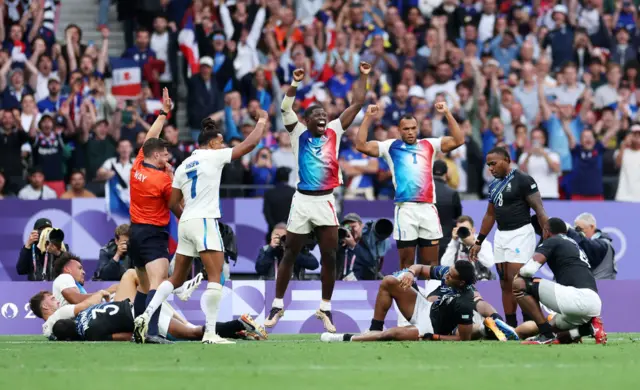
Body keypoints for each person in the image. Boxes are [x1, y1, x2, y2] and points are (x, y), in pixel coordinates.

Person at [133, 109, 269, 344]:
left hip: (185, 223)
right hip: (205, 221)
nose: (223, 145)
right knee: (216, 276)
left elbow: (174, 202)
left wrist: (189, 221)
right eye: (221, 142)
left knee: (175, 279)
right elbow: (249, 145)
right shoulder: (213, 156)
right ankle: (210, 333)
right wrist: (263, 122)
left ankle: (145, 316)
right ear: (213, 143)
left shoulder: (184, 164)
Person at [264, 62, 371, 333]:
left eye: (325, 114)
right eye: (317, 115)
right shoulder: (297, 132)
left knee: (330, 255)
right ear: (308, 121)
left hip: (325, 201)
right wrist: (295, 83)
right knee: (290, 251)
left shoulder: (334, 129)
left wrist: (364, 75)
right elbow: (286, 108)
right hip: (302, 200)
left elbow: (358, 101)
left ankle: (325, 308)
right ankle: (277, 304)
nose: (323, 118)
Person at [354, 102, 464, 270]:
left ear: (417, 128)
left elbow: (459, 140)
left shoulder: (429, 145)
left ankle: (430, 296)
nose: (410, 132)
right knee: (406, 265)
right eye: (406, 129)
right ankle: (409, 296)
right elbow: (361, 145)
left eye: (413, 128)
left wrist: (448, 113)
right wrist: (368, 117)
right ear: (399, 130)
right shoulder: (390, 147)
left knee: (432, 264)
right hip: (406, 209)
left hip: (428, 208)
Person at [30, 270, 267, 342]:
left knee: (192, 333)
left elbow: (122, 336)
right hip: (132, 304)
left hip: (139, 315)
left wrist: (139, 335)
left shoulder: (89, 333)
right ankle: (241, 330)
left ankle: (240, 322)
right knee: (188, 331)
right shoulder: (85, 316)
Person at [469, 146, 548, 329]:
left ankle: (530, 322)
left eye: (494, 164)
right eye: (489, 165)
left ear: (507, 160)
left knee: (517, 280)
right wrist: (479, 241)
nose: (491, 168)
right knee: (504, 282)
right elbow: (490, 215)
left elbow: (539, 208)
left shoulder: (523, 180)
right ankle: (511, 326)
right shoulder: (494, 185)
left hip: (521, 233)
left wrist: (548, 233)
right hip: (501, 236)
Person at [320, 261, 478, 342]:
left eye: (450, 276)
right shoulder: (448, 273)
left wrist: (435, 337)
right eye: (448, 272)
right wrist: (410, 273)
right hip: (427, 309)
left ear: (462, 282)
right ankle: (374, 329)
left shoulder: (465, 303)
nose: (446, 276)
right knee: (389, 281)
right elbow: (420, 267)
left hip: (431, 327)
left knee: (393, 333)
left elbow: (463, 339)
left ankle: (345, 338)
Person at [127, 88, 177, 344]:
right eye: (165, 154)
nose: (168, 157)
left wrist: (163, 113)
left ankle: (140, 332)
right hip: (154, 235)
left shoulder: (137, 164)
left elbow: (150, 137)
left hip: (134, 233)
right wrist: (172, 176)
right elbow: (177, 204)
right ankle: (153, 332)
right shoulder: (162, 180)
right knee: (160, 283)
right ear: (157, 156)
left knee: (144, 287)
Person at [512, 218, 607, 345]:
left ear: (546, 231)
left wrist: (518, 274)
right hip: (592, 304)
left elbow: (528, 270)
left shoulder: (553, 240)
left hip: (577, 299)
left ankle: (546, 335)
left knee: (519, 283)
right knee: (555, 330)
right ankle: (586, 329)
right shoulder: (572, 242)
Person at [441, 216, 495, 281]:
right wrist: (453, 241)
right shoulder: (455, 243)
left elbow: (489, 263)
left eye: (466, 229)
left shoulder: (482, 242)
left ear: (473, 230)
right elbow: (445, 264)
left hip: (479, 278)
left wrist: (474, 245)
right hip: (460, 280)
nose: (463, 232)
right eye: (460, 229)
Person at [433, 160, 462, 262]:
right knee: (446, 273)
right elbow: (458, 216)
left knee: (425, 273)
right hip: (446, 240)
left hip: (426, 240)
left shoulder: (423, 192)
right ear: (446, 173)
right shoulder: (452, 193)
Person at [262, 167, 295, 243]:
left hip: (273, 234)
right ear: (287, 177)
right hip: (291, 233)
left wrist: (275, 226)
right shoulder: (293, 192)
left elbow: (267, 213)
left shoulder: (270, 193)